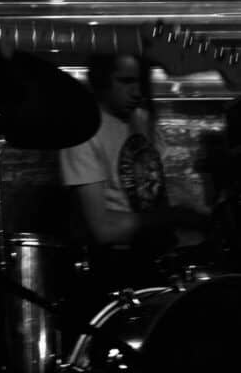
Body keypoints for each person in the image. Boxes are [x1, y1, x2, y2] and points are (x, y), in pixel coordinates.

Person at [59, 53, 210, 314]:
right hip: (115, 268)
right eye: (126, 81)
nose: (137, 92)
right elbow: (102, 229)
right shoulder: (83, 132)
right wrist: (174, 216)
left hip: (158, 259)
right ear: (101, 81)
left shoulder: (142, 121)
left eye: (141, 82)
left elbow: (154, 193)